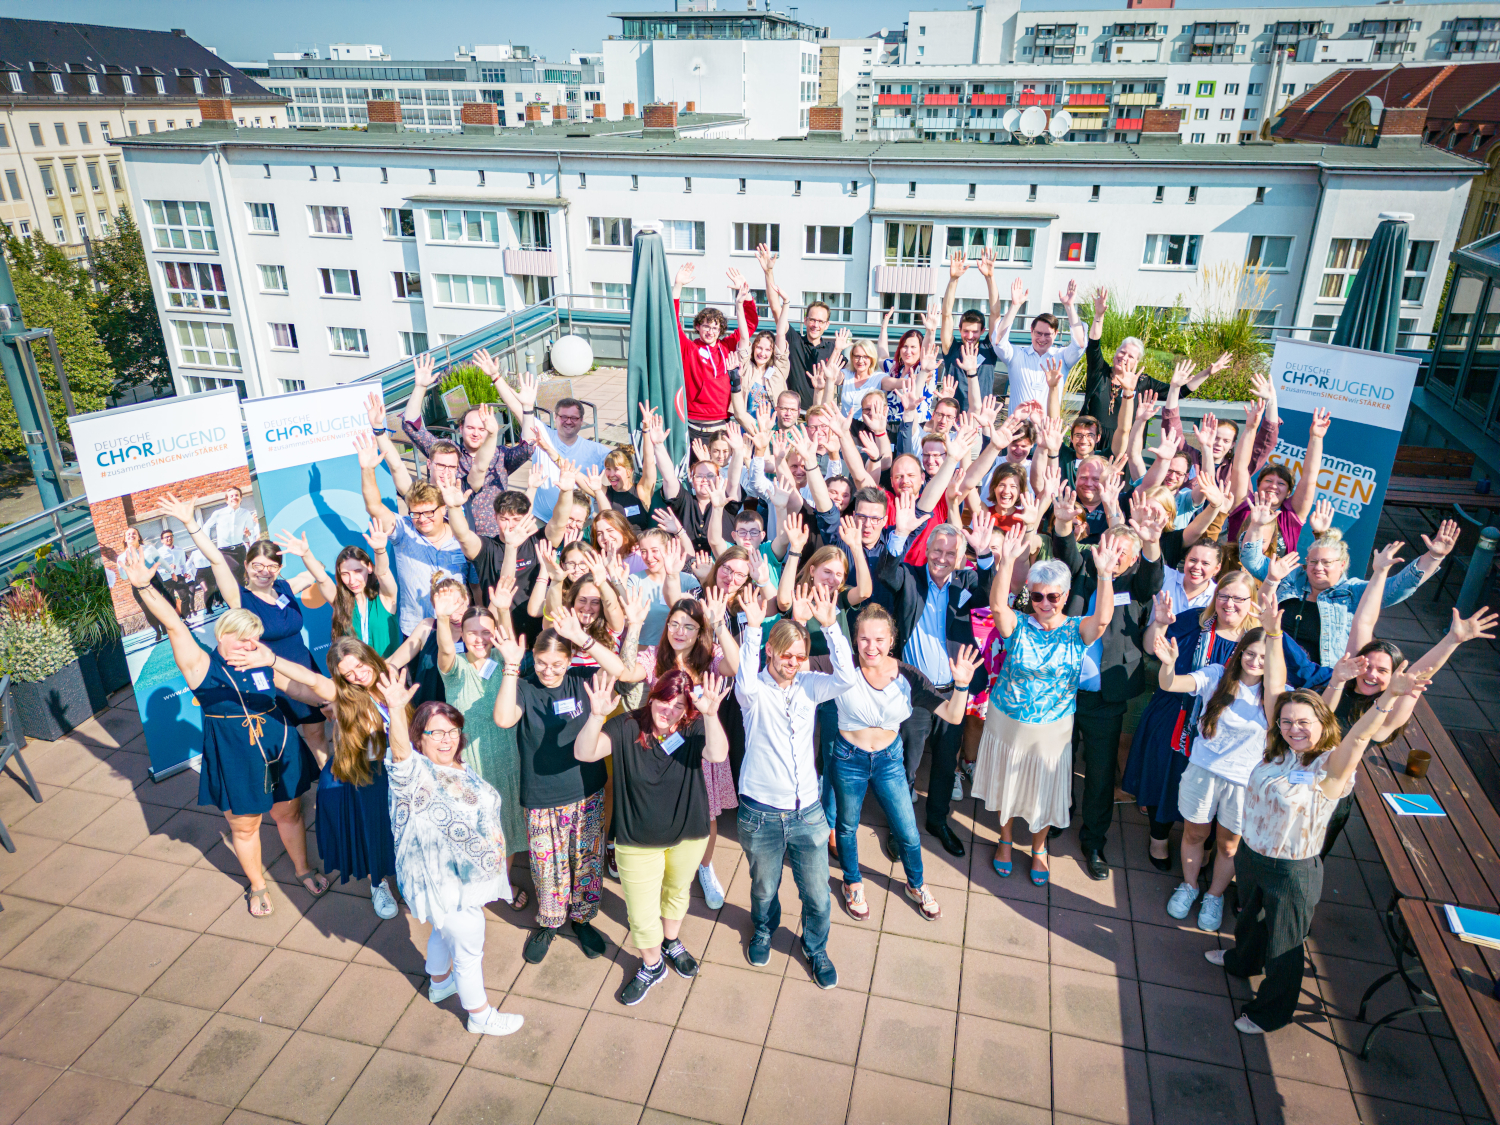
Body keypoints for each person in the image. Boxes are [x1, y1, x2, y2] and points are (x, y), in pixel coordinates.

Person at [1206, 662, 1430, 1034]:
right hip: (1253, 853)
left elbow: (1359, 737)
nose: (1294, 729)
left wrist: (1391, 695)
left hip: (1291, 870)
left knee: (1284, 945)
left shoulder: (1331, 765)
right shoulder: (1278, 750)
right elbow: (1276, 685)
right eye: (1287, 722)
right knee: (1250, 918)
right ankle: (1241, 961)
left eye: (1304, 722)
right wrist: (1273, 631)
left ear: (1323, 724)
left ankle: (1271, 1014)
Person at [118, 548, 329, 916]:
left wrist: (335, 699)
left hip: (280, 746)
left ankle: (302, 869)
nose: (248, 646)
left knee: (290, 813)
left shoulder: (261, 660)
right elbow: (174, 625)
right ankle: (259, 885)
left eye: (254, 638)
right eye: (241, 639)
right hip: (235, 755)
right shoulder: (201, 665)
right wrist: (146, 588)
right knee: (245, 826)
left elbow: (299, 691)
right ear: (222, 635)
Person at [1124, 562, 1327, 870]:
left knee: (1214, 799)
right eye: (1224, 595)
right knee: (1165, 778)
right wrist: (1161, 625)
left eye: (1239, 599)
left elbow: (1307, 673)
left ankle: (1201, 845)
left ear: (1252, 603)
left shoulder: (1264, 638)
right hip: (1176, 714)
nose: (1229, 604)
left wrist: (1348, 678)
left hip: (1226, 731)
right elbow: (1154, 649)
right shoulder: (1194, 620)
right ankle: (1159, 837)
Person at [375, 669, 525, 1037]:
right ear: (419, 739)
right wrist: (396, 709)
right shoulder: (415, 774)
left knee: (443, 932)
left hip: (465, 883)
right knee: (469, 945)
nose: (446, 739)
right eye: (435, 733)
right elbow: (399, 755)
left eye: (452, 731)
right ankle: (480, 1015)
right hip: (445, 884)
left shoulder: (458, 766)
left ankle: (440, 981)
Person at [573, 668, 732, 1004]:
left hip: (689, 833)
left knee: (676, 892)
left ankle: (671, 942)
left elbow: (718, 754)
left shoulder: (693, 726)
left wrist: (712, 715)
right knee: (641, 914)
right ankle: (653, 964)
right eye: (664, 701)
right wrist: (596, 716)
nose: (668, 711)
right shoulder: (627, 725)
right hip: (636, 839)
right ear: (653, 695)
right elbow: (585, 753)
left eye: (678, 706)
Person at [978, 528, 1124, 886]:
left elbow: (1103, 619)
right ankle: (1006, 839)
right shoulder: (1018, 624)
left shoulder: (1077, 630)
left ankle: (1039, 848)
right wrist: (1007, 562)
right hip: (1008, 721)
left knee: (1044, 790)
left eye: (1053, 597)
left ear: (1066, 596)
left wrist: (1104, 574)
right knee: (1006, 786)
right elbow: (998, 605)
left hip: (1053, 728)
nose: (1045, 603)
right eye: (1038, 595)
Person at [735, 585, 854, 985]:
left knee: (818, 895)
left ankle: (816, 948)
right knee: (764, 888)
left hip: (808, 812)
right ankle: (764, 929)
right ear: (770, 649)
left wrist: (831, 627)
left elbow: (847, 679)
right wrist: (752, 628)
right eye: (786, 654)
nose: (793, 662)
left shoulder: (810, 684)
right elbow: (746, 675)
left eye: (800, 656)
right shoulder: (752, 691)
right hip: (761, 812)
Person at [1151, 577, 1285, 933]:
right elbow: (1172, 684)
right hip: (1203, 770)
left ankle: (1214, 895)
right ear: (1239, 654)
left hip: (1244, 783)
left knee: (1227, 846)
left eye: (1263, 656)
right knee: (1194, 834)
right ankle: (1189, 885)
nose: (1255, 661)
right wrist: (1168, 665)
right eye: (1249, 653)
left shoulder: (1277, 695)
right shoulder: (1215, 675)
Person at [494, 611, 627, 963]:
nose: (548, 670)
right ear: (532, 660)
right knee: (546, 867)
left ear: (569, 661)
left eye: (556, 663)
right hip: (540, 798)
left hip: (586, 792)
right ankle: (550, 922)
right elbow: (504, 719)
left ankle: (582, 920)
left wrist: (584, 639)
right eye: (541, 663)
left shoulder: (583, 681)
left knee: (586, 862)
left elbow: (621, 670)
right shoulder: (523, 687)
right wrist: (511, 666)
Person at [833, 603, 979, 922]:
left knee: (908, 832)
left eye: (879, 639)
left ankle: (916, 885)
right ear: (855, 640)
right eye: (864, 639)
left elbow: (954, 716)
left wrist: (963, 685)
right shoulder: (843, 668)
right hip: (848, 758)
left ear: (891, 641)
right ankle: (853, 882)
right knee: (846, 826)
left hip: (888, 760)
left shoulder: (908, 676)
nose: (872, 647)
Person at [164, 494, 333, 765]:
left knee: (317, 735)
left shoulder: (287, 588)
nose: (264, 572)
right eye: (257, 566)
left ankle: (331, 786)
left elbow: (319, 572)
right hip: (270, 679)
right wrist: (189, 523)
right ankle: (289, 799)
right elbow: (217, 560)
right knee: (281, 745)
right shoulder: (239, 598)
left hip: (305, 671)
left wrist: (307, 555)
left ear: (279, 569)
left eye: (271, 567)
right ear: (246, 565)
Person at [1319, 605, 1498, 855]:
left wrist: (1451, 640)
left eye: (1383, 671)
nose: (1371, 674)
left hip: (1328, 793)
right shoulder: (1338, 683)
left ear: (1394, 678)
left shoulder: (1383, 714)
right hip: (1293, 774)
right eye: (1368, 666)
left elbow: (1419, 674)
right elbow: (1362, 623)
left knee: (1309, 855)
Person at [1051, 500, 1165, 881]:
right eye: (1108, 548)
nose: (1113, 558)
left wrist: (1151, 543)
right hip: (1063, 693)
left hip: (1106, 698)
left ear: (1132, 559)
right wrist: (1064, 523)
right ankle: (1057, 814)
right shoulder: (1082, 572)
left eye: (1123, 553)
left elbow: (1152, 577)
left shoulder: (1136, 585)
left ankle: (1094, 840)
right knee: (1058, 762)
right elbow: (1064, 549)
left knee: (1100, 776)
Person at [878, 498, 996, 857]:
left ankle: (937, 820)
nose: (942, 558)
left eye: (950, 552)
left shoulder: (968, 581)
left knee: (946, 763)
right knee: (907, 763)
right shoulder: (910, 578)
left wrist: (986, 553)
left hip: (954, 691)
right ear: (926, 550)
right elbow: (887, 570)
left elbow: (991, 591)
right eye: (937, 550)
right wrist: (899, 533)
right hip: (915, 692)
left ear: (960, 556)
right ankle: (901, 827)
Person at [1242, 512, 1459, 667]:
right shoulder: (1291, 577)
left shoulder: (1353, 591)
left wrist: (1433, 557)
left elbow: (1397, 588)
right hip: (1270, 664)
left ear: (1342, 564)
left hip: (1321, 675)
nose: (1318, 568)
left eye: (1327, 563)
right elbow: (1252, 561)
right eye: (1313, 562)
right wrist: (1256, 526)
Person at [433, 582, 531, 911]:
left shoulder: (507, 664)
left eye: (486, 632)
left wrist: (503, 610)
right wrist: (444, 619)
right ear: (462, 633)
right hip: (470, 766)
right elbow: (445, 651)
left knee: (507, 826)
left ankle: (500, 882)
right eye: (472, 632)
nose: (479, 638)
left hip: (508, 760)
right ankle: (472, 886)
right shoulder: (455, 669)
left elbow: (508, 640)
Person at [356, 435, 472, 635]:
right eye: (416, 513)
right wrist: (367, 470)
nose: (422, 519)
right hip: (417, 631)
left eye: (429, 512)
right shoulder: (404, 530)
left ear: (443, 509)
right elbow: (374, 507)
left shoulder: (462, 537)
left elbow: (475, 586)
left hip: (459, 629)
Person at [320, 637, 402, 919]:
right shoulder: (346, 695)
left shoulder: (389, 677)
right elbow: (308, 682)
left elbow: (414, 642)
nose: (357, 675)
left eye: (359, 665)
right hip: (368, 772)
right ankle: (378, 882)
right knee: (373, 828)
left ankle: (407, 875)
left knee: (404, 826)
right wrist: (272, 662)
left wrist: (435, 619)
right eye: (348, 673)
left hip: (402, 765)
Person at [673, 262, 759, 443]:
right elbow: (672, 323)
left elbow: (750, 325)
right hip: (693, 423)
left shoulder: (727, 346)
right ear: (697, 326)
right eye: (706, 326)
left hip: (722, 423)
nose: (710, 331)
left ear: (720, 330)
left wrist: (746, 293)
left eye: (715, 327)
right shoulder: (689, 348)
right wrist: (678, 286)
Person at [990, 276, 1085, 412]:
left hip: (1047, 430)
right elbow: (998, 341)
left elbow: (1079, 344)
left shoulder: (1062, 356)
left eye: (1047, 334)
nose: (1042, 338)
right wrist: (1015, 306)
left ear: (1056, 334)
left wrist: (1069, 307)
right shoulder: (1017, 355)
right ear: (1031, 331)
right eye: (1038, 333)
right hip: (1018, 429)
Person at [762, 246, 834, 409]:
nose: (815, 325)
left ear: (826, 325)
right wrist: (768, 272)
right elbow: (775, 308)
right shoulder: (794, 340)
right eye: (812, 320)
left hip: (819, 415)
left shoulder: (832, 348)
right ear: (805, 320)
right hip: (792, 414)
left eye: (820, 321)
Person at [328, 531, 401, 658]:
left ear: (369, 568)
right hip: (357, 676)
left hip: (388, 674)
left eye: (357, 571)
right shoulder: (342, 601)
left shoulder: (385, 596)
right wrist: (306, 555)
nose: (352, 580)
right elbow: (322, 580)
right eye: (345, 574)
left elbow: (383, 573)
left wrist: (380, 551)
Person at [198, 485, 259, 587]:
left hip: (240, 549)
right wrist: (208, 544)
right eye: (231, 496)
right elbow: (206, 526)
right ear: (227, 500)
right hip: (225, 550)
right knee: (234, 571)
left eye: (237, 495)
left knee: (243, 576)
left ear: (241, 498)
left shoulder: (245, 513)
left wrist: (249, 534)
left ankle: (243, 598)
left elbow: (251, 531)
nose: (234, 497)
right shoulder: (219, 513)